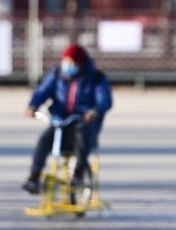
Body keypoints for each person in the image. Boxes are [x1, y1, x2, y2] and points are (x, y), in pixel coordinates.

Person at [22, 44, 112, 193]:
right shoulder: (57, 74)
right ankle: (34, 177)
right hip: (61, 121)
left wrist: (94, 111)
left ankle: (78, 173)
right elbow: (43, 91)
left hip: (83, 122)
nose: (68, 66)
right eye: (66, 62)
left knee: (82, 134)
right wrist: (33, 105)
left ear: (80, 63)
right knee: (44, 140)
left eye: (72, 63)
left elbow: (104, 100)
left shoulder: (96, 78)